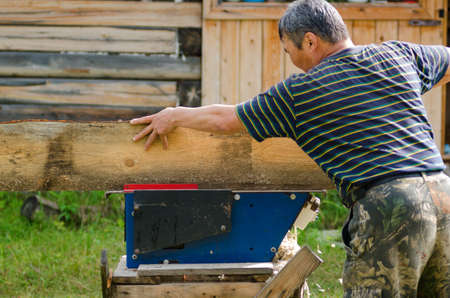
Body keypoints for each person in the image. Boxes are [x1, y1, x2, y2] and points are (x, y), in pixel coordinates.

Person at [130, 0, 450, 296]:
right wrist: (407, 88)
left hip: (389, 204)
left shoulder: (300, 93)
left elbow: (227, 119)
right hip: (442, 192)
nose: (293, 62)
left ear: (310, 41)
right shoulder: (398, 56)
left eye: (288, 51)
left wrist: (174, 115)